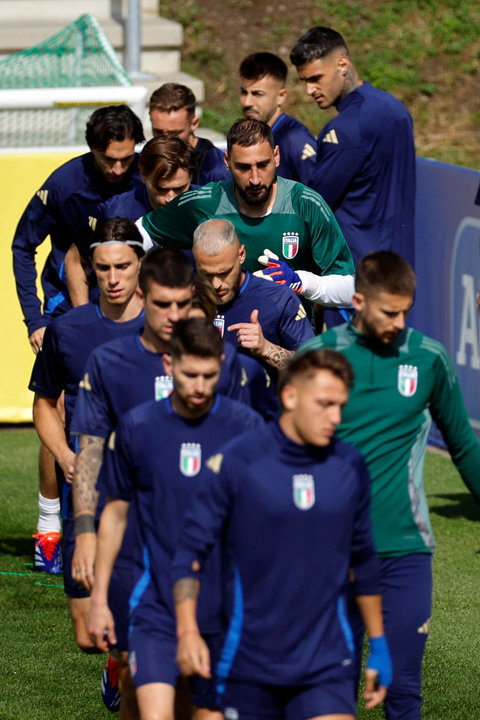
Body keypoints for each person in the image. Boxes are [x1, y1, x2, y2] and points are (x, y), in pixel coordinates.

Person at [299, 251, 480, 720]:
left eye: (406, 312)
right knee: (328, 692)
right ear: (358, 300)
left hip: (404, 554)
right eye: (389, 312)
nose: (400, 323)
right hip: (327, 553)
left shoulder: (429, 358)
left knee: (403, 694)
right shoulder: (318, 357)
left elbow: (463, 446)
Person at [172, 349, 392, 720]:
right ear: (290, 397)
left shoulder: (349, 465)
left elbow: (364, 560)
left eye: (341, 406)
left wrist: (381, 643)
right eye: (324, 404)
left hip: (326, 662)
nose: (335, 417)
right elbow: (189, 555)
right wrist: (188, 631)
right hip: (247, 662)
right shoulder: (239, 462)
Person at [88, 318, 263, 720]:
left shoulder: (247, 428)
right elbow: (115, 514)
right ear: (168, 365)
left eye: (209, 375)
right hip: (156, 604)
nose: (199, 387)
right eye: (189, 375)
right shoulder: (137, 427)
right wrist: (99, 598)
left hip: (223, 609)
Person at [12, 106, 144, 566]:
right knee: (62, 402)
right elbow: (23, 244)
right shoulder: (65, 184)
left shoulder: (146, 179)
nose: (119, 169)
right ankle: (49, 527)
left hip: (132, 302)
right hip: (68, 305)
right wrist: (36, 319)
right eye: (110, 160)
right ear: (92, 151)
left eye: (127, 159)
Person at [28, 219, 145, 713]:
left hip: (149, 496)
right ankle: (118, 660)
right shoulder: (69, 331)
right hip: (89, 491)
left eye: (123, 266)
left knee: (146, 624)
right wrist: (66, 455)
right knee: (86, 632)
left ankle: (140, 661)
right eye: (103, 269)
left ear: (141, 264)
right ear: (89, 270)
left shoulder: (169, 326)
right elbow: (43, 403)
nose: (114, 278)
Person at [137, 118, 355, 311]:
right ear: (227, 162)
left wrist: (300, 282)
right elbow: (137, 235)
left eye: (263, 165)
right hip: (220, 342)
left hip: (290, 343)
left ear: (276, 156)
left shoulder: (306, 205)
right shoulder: (202, 204)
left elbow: (349, 289)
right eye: (243, 167)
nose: (255, 179)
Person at [290, 27, 416, 268]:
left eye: (316, 78)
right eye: (304, 81)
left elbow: (314, 208)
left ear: (342, 64)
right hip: (399, 270)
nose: (309, 90)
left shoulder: (342, 131)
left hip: (357, 275)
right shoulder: (397, 110)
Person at [193, 219, 314, 370]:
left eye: (224, 273)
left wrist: (266, 348)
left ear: (241, 255)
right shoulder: (183, 299)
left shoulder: (279, 299)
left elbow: (314, 367)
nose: (216, 284)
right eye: (206, 274)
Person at [239, 52, 316, 183]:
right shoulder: (245, 136)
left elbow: (319, 195)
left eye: (257, 94)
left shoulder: (295, 139)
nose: (247, 102)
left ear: (281, 96)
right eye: (244, 93)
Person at [149, 83, 229, 185]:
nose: (165, 141)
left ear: (194, 124)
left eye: (174, 134)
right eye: (158, 132)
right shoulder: (147, 160)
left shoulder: (215, 169)